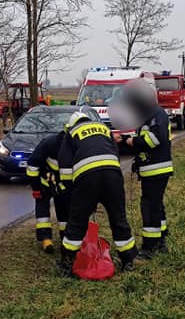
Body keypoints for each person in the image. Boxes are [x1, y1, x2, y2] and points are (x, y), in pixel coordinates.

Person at [57, 111, 137, 275]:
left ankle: (67, 264)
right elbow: (115, 153)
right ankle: (128, 260)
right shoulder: (103, 128)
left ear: (72, 124)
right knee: (118, 218)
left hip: (87, 179)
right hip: (113, 175)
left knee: (77, 221)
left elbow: (65, 168)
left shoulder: (71, 133)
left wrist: (73, 193)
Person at [114, 79, 174, 260]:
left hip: (156, 170)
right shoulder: (149, 116)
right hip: (152, 170)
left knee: (150, 207)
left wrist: (133, 141)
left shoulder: (157, 115)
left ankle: (149, 247)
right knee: (156, 205)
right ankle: (161, 239)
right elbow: (143, 140)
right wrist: (125, 140)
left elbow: (154, 140)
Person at [26, 131, 69, 253]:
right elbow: (32, 166)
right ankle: (45, 239)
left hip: (62, 184)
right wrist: (36, 188)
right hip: (44, 182)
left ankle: (65, 237)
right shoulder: (48, 144)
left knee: (64, 209)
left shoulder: (74, 146)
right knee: (42, 210)